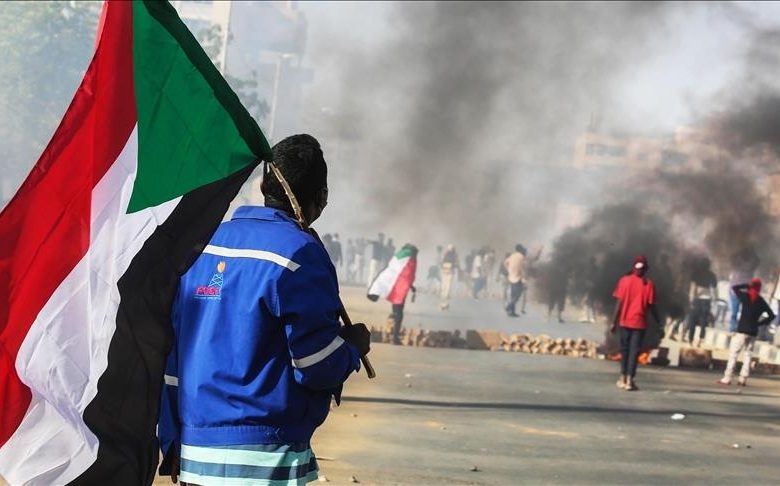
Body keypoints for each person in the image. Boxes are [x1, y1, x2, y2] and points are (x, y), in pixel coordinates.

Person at [158, 134, 371, 485]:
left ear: (262, 185)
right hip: (265, 457)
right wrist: (352, 347)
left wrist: (172, 436)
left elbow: (172, 353)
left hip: (196, 451)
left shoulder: (204, 244)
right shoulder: (301, 253)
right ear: (322, 197)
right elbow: (316, 365)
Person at [610, 255, 660, 391]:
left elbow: (619, 303)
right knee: (633, 352)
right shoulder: (648, 284)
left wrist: (613, 322)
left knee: (625, 351)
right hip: (639, 324)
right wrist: (658, 323)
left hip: (625, 322)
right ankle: (629, 380)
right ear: (646, 269)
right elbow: (652, 307)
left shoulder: (624, 281)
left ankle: (623, 377)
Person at [718, 278, 775, 386]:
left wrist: (746, 285)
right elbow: (771, 315)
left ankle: (727, 377)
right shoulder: (761, 301)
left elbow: (734, 288)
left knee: (734, 354)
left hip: (742, 330)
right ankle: (743, 379)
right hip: (753, 331)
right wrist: (760, 323)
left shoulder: (745, 297)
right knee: (748, 355)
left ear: (751, 286)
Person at [368, 244, 418, 344]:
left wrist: (411, 286)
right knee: (399, 313)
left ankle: (391, 333)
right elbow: (408, 275)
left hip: (395, 289)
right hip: (401, 290)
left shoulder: (399, 257)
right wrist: (411, 286)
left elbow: (397, 272)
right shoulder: (410, 259)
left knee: (395, 311)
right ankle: (395, 338)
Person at [686, 257, 718, 345]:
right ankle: (701, 339)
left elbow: (693, 288)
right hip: (706, 300)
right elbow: (714, 289)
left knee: (692, 320)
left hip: (696, 299)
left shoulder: (696, 273)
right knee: (703, 320)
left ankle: (690, 339)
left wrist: (691, 300)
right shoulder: (712, 275)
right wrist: (715, 300)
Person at [728, 248, 760, 333]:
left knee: (735, 312)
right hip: (743, 291)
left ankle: (733, 328)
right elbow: (757, 261)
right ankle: (738, 328)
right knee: (743, 312)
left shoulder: (737, 264)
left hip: (737, 291)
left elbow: (731, 258)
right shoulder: (750, 266)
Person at [504, 244, 527, 317]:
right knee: (517, 296)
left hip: (511, 277)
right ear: (520, 249)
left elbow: (505, 262)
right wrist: (524, 280)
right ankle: (508, 307)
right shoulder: (521, 256)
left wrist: (509, 270)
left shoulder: (512, 255)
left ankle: (512, 312)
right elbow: (522, 269)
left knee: (513, 295)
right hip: (518, 278)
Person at [440, 244, 459, 310]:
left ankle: (443, 293)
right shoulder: (455, 255)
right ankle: (446, 294)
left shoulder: (445, 253)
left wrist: (442, 266)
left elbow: (441, 261)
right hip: (451, 270)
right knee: (449, 283)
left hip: (444, 269)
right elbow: (457, 263)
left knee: (444, 282)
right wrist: (455, 266)